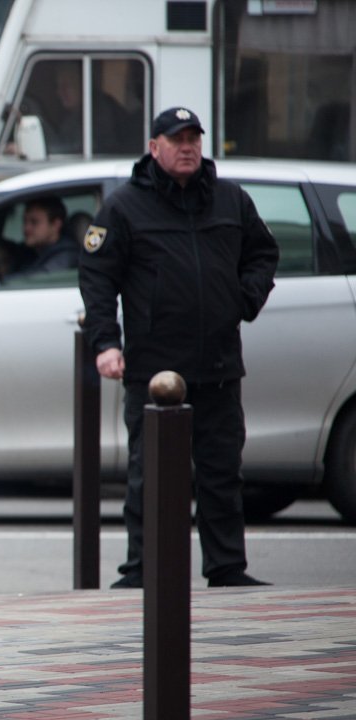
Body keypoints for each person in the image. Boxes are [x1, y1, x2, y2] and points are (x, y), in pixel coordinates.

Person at [78, 106, 279, 589]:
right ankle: (142, 570)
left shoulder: (230, 200)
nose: (187, 146)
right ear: (154, 148)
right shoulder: (125, 207)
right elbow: (98, 278)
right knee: (150, 477)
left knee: (222, 473)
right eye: (176, 138)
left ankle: (227, 568)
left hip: (219, 363)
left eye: (194, 137)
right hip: (153, 367)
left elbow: (263, 253)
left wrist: (243, 300)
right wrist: (107, 343)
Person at [15, 196, 79, 276]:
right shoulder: (29, 252)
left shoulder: (65, 257)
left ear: (56, 225)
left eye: (34, 222)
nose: (26, 228)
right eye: (25, 221)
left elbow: (34, 282)